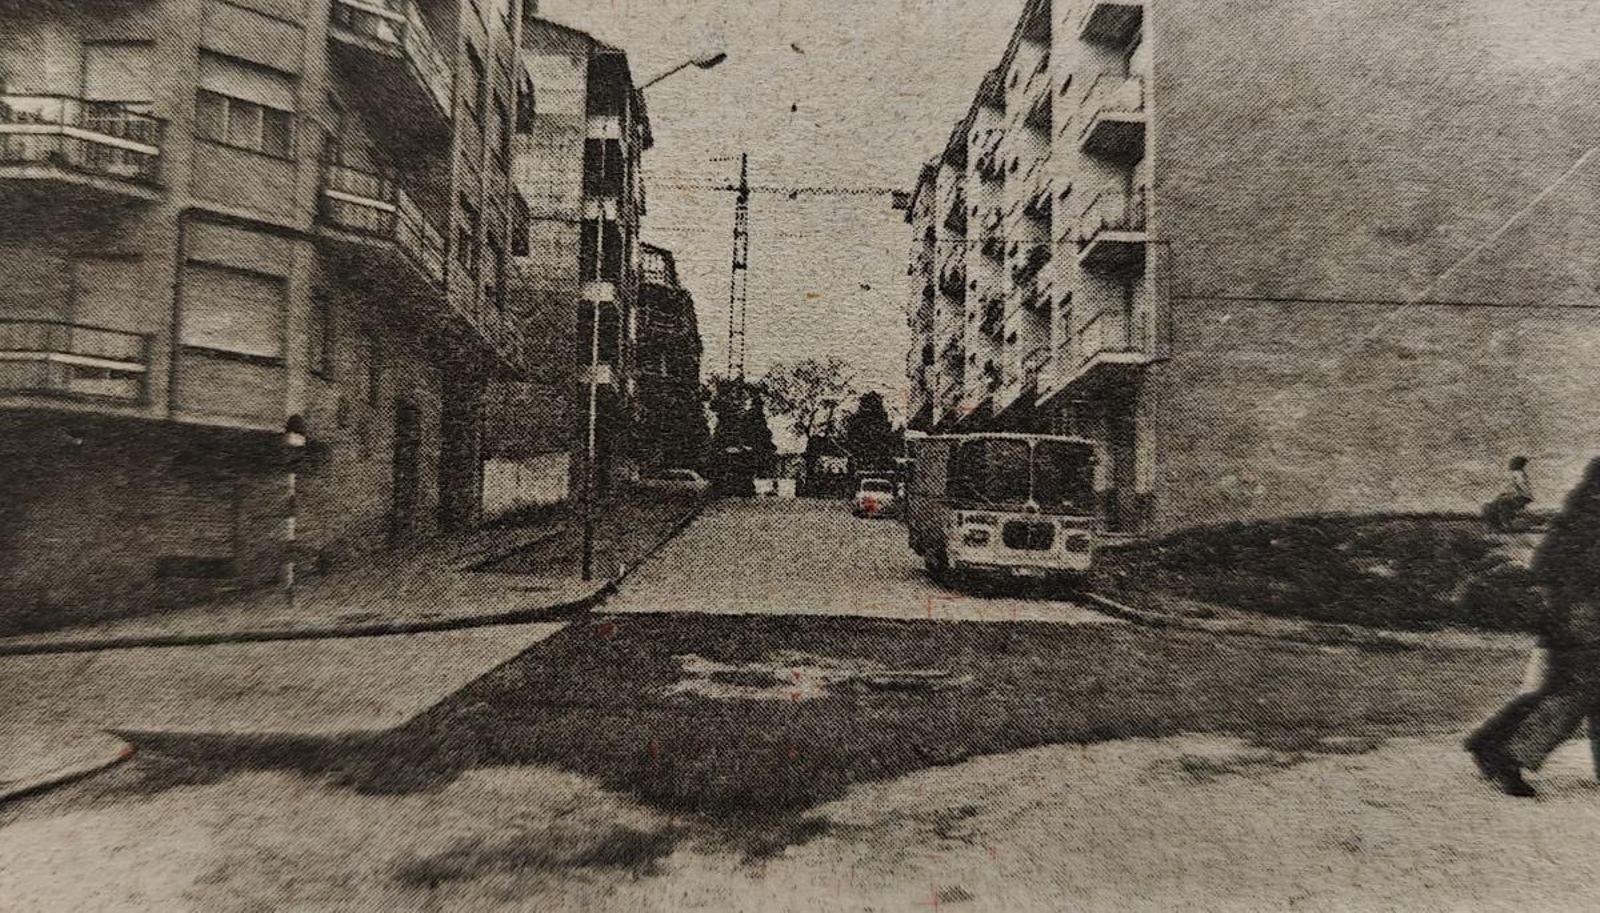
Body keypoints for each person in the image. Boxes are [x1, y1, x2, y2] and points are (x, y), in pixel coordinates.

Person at [1467, 457, 1600, 797]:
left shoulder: (1582, 509)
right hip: (1581, 607)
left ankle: (1489, 744)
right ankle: (1508, 755)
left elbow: (1549, 561)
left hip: (1569, 604)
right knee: (1577, 687)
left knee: (1572, 684)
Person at [1483, 456, 1535, 532]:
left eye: (1512, 463)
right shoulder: (1513, 474)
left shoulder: (1519, 474)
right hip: (1513, 497)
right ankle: (1495, 526)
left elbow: (1523, 488)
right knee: (1488, 506)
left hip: (1519, 497)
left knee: (1502, 503)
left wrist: (1515, 495)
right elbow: (1507, 489)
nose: (1509, 465)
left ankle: (1505, 525)